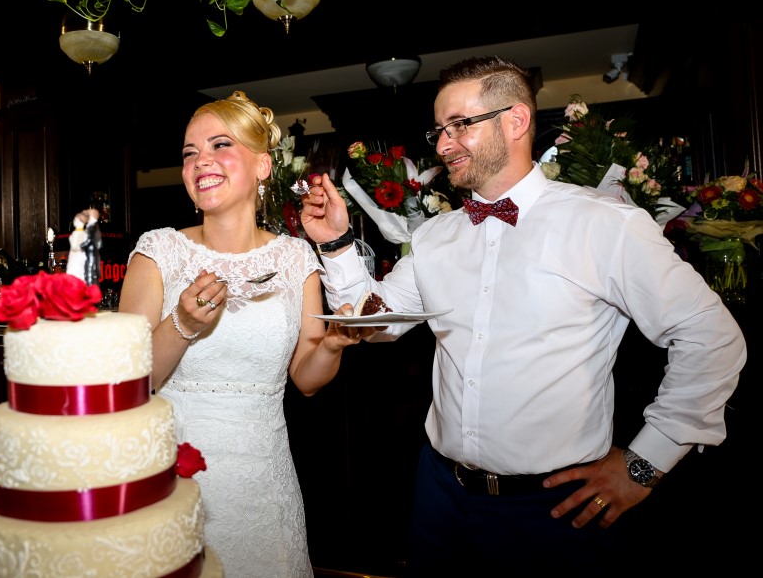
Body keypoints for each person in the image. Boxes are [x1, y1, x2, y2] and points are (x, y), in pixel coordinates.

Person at [299, 56, 746, 572]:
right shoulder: (435, 236)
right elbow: (376, 322)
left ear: (515, 121)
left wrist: (645, 463)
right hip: (440, 494)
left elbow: (712, 338)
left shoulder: (606, 224)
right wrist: (335, 244)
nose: (442, 145)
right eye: (439, 130)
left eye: (459, 125)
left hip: (554, 510)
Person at [78, 90, 356, 577]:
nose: (200, 161)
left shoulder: (295, 258)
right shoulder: (158, 252)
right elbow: (128, 384)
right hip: (175, 476)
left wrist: (331, 345)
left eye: (220, 145)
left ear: (263, 165)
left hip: (265, 482)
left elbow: (307, 380)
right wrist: (183, 325)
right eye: (190, 153)